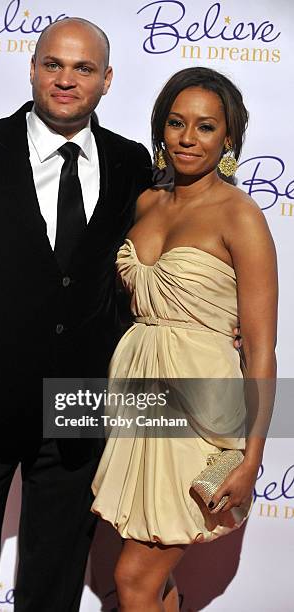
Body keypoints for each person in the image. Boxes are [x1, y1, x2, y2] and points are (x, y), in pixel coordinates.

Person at [0, 18, 153, 612]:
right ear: (32, 68)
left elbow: (128, 285)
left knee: (56, 576)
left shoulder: (130, 161)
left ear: (107, 80)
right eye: (54, 64)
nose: (66, 79)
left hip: (82, 401)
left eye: (83, 68)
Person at [91, 67, 278, 611]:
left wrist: (251, 458)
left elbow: (262, 349)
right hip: (137, 402)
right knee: (149, 579)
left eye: (205, 127)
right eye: (176, 124)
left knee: (133, 580)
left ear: (228, 138)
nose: (188, 139)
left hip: (200, 412)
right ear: (161, 129)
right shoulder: (146, 203)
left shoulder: (240, 216)